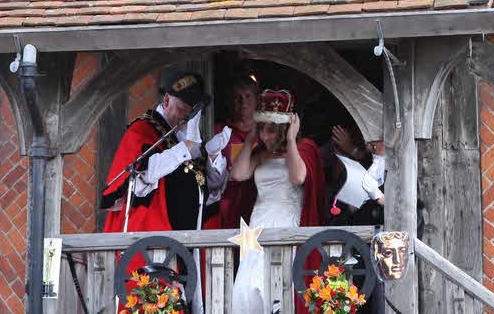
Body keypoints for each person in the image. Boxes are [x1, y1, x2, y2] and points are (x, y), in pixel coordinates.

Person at [100, 71, 230, 314]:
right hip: (154, 235)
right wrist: (185, 148)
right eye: (182, 108)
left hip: (189, 235)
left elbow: (212, 186)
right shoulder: (143, 130)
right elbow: (144, 174)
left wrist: (213, 157)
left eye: (191, 111)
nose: (185, 116)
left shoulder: (185, 135)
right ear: (167, 100)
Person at [229, 89, 326, 313]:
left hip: (287, 221)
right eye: (262, 129)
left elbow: (298, 177)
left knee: (280, 284)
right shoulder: (260, 153)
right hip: (257, 224)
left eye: (270, 130)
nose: (265, 136)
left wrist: (291, 140)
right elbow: (238, 174)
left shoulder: (304, 149)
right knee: (249, 285)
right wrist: (250, 140)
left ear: (283, 129)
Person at [208, 74, 259, 229]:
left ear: (257, 100)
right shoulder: (219, 131)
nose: (243, 102)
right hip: (227, 203)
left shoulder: (266, 132)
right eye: (237, 98)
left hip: (257, 201)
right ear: (230, 102)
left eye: (248, 96)